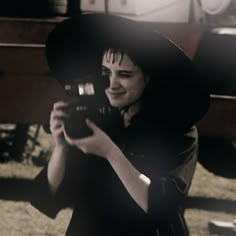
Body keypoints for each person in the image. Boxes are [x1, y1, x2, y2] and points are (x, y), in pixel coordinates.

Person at [30, 14, 210, 236]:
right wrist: (61, 148)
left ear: (149, 78)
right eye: (106, 73)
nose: (111, 85)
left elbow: (159, 206)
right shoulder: (96, 120)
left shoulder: (179, 132)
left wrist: (109, 152)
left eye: (124, 75)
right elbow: (47, 199)